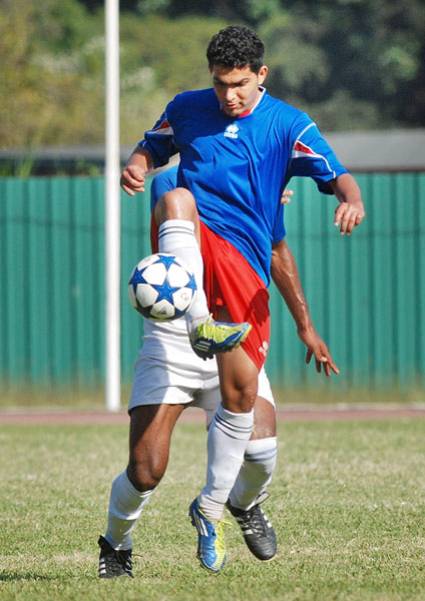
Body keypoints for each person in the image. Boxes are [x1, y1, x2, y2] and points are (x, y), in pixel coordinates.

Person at [119, 25, 365, 573]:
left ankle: (242, 504)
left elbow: (336, 179)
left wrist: (352, 201)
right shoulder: (186, 112)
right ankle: (138, 534)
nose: (228, 96)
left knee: (260, 452)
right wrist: (137, 165)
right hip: (185, 306)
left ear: (261, 75)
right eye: (219, 84)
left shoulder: (287, 125)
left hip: (244, 293)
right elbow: (151, 147)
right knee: (179, 196)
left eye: (238, 85)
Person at [98, 166, 338, 578]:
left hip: (232, 331)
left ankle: (241, 504)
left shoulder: (254, 194)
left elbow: (278, 252)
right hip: (172, 340)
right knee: (145, 470)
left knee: (261, 452)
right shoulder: (172, 185)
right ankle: (116, 544)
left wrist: (306, 326)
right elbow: (176, 191)